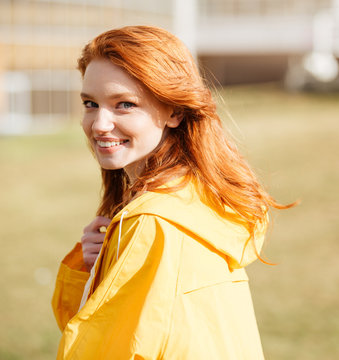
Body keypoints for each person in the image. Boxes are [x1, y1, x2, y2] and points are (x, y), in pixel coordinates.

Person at [51, 25, 295, 359]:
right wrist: (100, 267)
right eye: (90, 103)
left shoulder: (155, 222)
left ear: (175, 111)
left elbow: (108, 349)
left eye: (124, 104)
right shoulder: (201, 197)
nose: (99, 124)